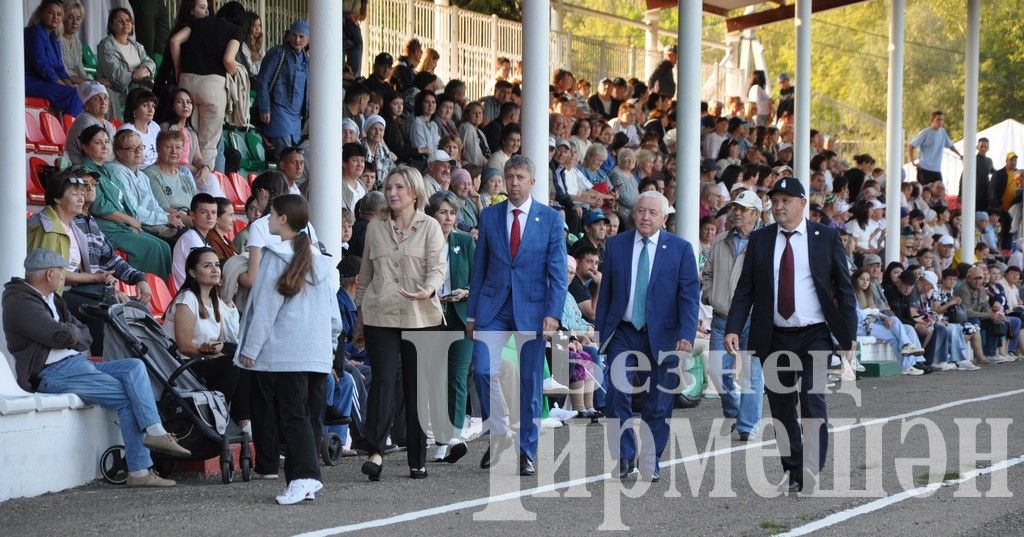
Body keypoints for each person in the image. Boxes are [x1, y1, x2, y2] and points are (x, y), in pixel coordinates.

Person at [4, 248, 190, 487]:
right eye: (61, 271)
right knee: (127, 396)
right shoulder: (19, 302)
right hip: (52, 373)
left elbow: (84, 334)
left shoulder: (52, 298)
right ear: (49, 273)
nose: (63, 276)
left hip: (75, 365)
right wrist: (71, 333)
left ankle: (155, 432)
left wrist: (70, 333)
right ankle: (139, 470)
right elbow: (57, 334)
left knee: (133, 366)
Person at [725, 177, 857, 493]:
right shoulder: (761, 240)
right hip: (774, 336)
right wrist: (733, 327)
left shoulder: (824, 237)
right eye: (775, 200)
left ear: (802, 203)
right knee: (782, 407)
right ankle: (794, 465)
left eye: (786, 200)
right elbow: (746, 290)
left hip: (815, 335)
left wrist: (848, 334)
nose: (779, 206)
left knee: (813, 401)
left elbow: (844, 287)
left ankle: (811, 465)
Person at [236, 194, 342, 505]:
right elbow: (333, 314)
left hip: (287, 354)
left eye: (271, 214)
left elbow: (265, 310)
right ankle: (303, 480)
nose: (267, 219)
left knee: (293, 418)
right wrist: (331, 345)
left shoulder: (273, 258)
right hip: (317, 353)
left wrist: (250, 349)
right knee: (308, 418)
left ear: (283, 219)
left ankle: (305, 477)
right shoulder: (319, 260)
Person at [466, 155, 568, 477]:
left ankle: (526, 451)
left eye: (520, 177)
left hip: (533, 310)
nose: (513, 182)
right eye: (509, 176)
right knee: (482, 370)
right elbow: (478, 267)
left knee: (529, 383)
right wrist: (471, 315)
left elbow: (558, 272)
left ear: (532, 182)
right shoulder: (491, 216)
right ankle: (500, 435)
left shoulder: (550, 219)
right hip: (493, 308)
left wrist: (553, 313)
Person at [596, 191, 699, 481]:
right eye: (641, 210)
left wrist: (686, 335)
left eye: (653, 213)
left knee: (658, 403)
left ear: (664, 218)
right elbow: (607, 293)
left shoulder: (680, 249)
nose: (645, 216)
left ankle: (651, 459)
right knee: (616, 395)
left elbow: (689, 296)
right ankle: (626, 456)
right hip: (624, 332)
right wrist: (601, 331)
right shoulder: (616, 245)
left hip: (664, 335)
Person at [355, 166, 447, 481]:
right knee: (382, 380)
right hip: (380, 313)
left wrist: (429, 288)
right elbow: (364, 277)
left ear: (415, 192)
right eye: (389, 187)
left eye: (400, 188)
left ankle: (417, 458)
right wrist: (359, 316)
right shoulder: (375, 228)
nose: (393, 193)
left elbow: (438, 267)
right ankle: (376, 452)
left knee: (415, 386)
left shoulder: (431, 226)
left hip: (420, 315)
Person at [28, 167, 153, 354]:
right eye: (76, 192)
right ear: (57, 198)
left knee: (138, 309)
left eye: (86, 189)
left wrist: (138, 278)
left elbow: (110, 259)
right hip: (55, 295)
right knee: (108, 311)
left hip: (83, 290)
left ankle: (143, 361)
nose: (82, 196)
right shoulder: (49, 227)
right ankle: (105, 361)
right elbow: (53, 276)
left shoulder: (81, 224)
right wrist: (100, 282)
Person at [702, 190, 765, 442]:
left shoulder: (766, 242)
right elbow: (706, 274)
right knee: (718, 372)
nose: (736, 212)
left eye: (742, 209)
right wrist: (709, 295)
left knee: (752, 373)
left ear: (756, 214)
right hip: (721, 316)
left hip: (754, 316)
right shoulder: (719, 240)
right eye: (734, 208)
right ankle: (736, 414)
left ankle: (748, 426)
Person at [164, 247, 248, 428]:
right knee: (233, 364)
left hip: (205, 359)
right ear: (193, 273)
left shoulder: (214, 300)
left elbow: (222, 339)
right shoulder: (187, 299)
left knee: (243, 355)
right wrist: (207, 350)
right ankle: (216, 415)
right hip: (185, 365)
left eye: (217, 265)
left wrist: (217, 348)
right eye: (207, 266)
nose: (215, 270)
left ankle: (243, 421)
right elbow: (184, 346)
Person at [81, 125, 172, 278]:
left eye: (106, 141)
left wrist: (132, 222)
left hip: (121, 224)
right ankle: (144, 293)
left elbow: (126, 202)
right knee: (152, 247)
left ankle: (162, 295)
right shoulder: (85, 171)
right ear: (85, 147)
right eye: (98, 143)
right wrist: (130, 221)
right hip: (105, 227)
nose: (104, 146)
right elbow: (99, 206)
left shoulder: (107, 170)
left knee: (164, 247)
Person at [424, 191, 474, 463]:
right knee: (436, 377)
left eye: (452, 213)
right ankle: (441, 436)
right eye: (443, 212)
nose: (448, 217)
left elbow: (479, 278)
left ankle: (453, 436)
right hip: (431, 315)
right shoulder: (423, 243)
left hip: (460, 315)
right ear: (432, 215)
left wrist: (466, 291)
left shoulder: (464, 241)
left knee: (457, 376)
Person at [168, 4, 243, 167]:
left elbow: (174, 41)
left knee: (188, 135)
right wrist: (236, 72)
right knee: (207, 143)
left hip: (187, 83)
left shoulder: (197, 23)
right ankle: (203, 185)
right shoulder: (234, 30)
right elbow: (228, 60)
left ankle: (182, 176)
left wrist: (178, 69)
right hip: (213, 86)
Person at [107, 130, 185, 243]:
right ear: (119, 152)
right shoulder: (117, 171)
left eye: (140, 147)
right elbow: (133, 209)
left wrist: (171, 218)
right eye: (132, 148)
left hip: (153, 224)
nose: (138, 151)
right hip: (137, 226)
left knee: (188, 235)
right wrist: (166, 219)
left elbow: (153, 205)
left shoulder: (142, 175)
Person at [256, 20, 309, 160]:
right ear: (289, 36)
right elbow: (263, 80)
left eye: (301, 37)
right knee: (286, 156)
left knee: (293, 155)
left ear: (308, 40)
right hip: (278, 110)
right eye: (294, 35)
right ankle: (283, 182)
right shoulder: (278, 53)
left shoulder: (307, 60)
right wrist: (264, 107)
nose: (297, 40)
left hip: (297, 116)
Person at [25, 0, 84, 116]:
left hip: (46, 82)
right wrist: (60, 83)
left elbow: (60, 69)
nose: (55, 17)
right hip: (31, 81)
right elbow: (40, 64)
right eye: (51, 13)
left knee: (82, 93)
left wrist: (68, 82)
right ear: (41, 13)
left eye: (59, 14)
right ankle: (71, 132)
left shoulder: (53, 38)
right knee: (74, 95)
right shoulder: (35, 32)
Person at [96, 8, 156, 122]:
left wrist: (144, 69)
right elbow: (116, 76)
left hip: (139, 88)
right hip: (120, 91)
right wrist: (138, 75)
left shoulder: (136, 45)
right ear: (112, 25)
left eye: (128, 20)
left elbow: (150, 62)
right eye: (120, 21)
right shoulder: (106, 45)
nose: (125, 23)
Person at [160, 87, 213, 189]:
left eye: (189, 102)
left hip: (189, 172)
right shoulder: (166, 128)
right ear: (172, 106)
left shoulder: (191, 132)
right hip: (174, 172)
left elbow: (197, 158)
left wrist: (204, 167)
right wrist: (189, 168)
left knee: (211, 178)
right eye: (180, 102)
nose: (185, 105)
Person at [144, 130, 200, 221]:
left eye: (178, 147)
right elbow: (163, 208)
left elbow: (197, 206)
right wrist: (195, 223)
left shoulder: (185, 177)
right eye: (168, 147)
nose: (174, 151)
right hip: (170, 225)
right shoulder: (150, 174)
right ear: (158, 148)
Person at [171, 193, 218, 289]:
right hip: (189, 295)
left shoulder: (201, 238)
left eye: (213, 212)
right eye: (204, 212)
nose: (210, 217)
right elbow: (202, 276)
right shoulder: (191, 240)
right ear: (192, 215)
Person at [66, 82, 117, 166]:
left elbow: (114, 150)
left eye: (105, 98)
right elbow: (97, 155)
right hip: (84, 168)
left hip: (102, 165)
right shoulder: (85, 122)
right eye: (97, 99)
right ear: (86, 104)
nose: (103, 102)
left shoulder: (107, 124)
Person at [908, 111, 962, 186]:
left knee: (939, 190)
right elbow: (911, 146)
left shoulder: (943, 132)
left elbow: (950, 145)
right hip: (924, 169)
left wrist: (960, 155)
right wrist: (913, 162)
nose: (940, 122)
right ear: (932, 120)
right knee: (925, 193)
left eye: (942, 120)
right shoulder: (925, 132)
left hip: (936, 169)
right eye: (938, 119)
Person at [117, 89, 162, 168]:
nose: (151, 110)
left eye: (152, 106)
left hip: (157, 168)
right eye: (145, 105)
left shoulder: (155, 126)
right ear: (134, 110)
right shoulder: (126, 131)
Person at [57, 1, 91, 86]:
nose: (75, 22)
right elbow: (63, 72)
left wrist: (91, 83)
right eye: (70, 17)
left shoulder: (77, 41)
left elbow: (79, 68)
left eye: (78, 18)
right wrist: (88, 82)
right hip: (64, 81)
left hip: (78, 81)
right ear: (62, 18)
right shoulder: (57, 39)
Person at [209, 197, 237, 262]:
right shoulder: (212, 241)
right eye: (231, 215)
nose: (234, 219)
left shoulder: (225, 240)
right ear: (217, 219)